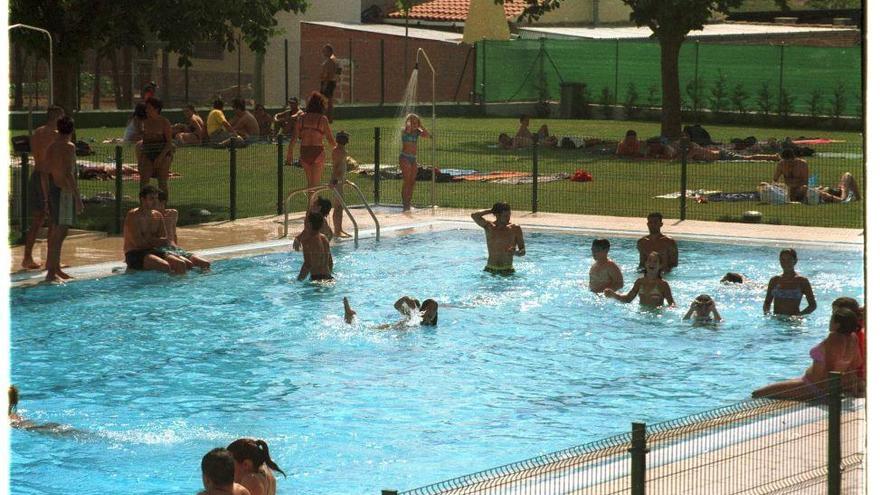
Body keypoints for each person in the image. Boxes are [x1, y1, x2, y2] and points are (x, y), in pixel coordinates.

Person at [752, 308, 864, 400]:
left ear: (837, 324)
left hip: (814, 386)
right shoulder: (852, 338)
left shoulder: (833, 338)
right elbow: (856, 363)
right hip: (818, 384)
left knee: (758, 393)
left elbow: (830, 370)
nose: (829, 322)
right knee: (770, 389)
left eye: (831, 320)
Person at [21, 105, 64, 270]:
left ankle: (27, 257)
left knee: (37, 220)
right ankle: (50, 260)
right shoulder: (54, 135)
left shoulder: (37, 132)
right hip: (48, 178)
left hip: (36, 176)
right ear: (58, 117)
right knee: (53, 221)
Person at [44, 115, 84, 283]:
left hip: (54, 189)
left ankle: (55, 268)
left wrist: (46, 196)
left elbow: (46, 172)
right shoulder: (68, 147)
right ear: (72, 130)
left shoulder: (52, 146)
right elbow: (68, 173)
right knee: (60, 233)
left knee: (55, 231)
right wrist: (77, 197)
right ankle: (51, 273)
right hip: (64, 192)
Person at [123, 185, 188, 275]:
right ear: (143, 199)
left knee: (181, 264)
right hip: (135, 253)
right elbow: (138, 244)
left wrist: (148, 239)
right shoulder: (134, 216)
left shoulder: (157, 215)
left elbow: (165, 241)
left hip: (153, 250)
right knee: (164, 266)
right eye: (151, 199)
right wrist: (155, 241)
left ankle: (177, 288)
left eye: (156, 198)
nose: (155, 201)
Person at [286, 91, 335, 188]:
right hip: (317, 151)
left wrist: (289, 154)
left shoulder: (301, 118)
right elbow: (330, 140)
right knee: (315, 184)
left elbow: (293, 139)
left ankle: (311, 203)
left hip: (304, 151)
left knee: (310, 184)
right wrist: (340, 151)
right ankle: (313, 203)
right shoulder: (322, 119)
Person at [155, 190, 211, 271]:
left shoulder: (172, 213)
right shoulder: (152, 217)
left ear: (162, 202)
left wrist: (178, 249)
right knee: (187, 264)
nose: (151, 205)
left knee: (205, 264)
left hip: (175, 249)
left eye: (155, 202)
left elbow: (173, 234)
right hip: (162, 249)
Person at [604, 251, 675, 307]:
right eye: (649, 260)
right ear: (645, 263)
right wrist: (613, 295)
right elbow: (628, 299)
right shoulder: (639, 282)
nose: (651, 263)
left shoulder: (663, 284)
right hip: (641, 316)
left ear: (660, 266)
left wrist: (671, 308)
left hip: (656, 317)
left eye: (655, 261)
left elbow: (671, 303)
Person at [471, 202, 525, 275]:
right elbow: (474, 215)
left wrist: (516, 253)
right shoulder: (489, 227)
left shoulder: (515, 228)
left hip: (508, 270)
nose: (508, 218)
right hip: (490, 270)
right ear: (497, 215)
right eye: (505, 216)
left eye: (509, 215)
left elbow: (523, 251)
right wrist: (492, 210)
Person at [763, 248, 816, 316]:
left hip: (793, 322)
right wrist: (767, 315)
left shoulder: (802, 281)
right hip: (776, 321)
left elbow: (812, 305)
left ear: (795, 261)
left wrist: (799, 316)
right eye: (783, 260)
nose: (785, 263)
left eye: (789, 260)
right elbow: (767, 303)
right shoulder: (774, 280)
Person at [139, 97, 174, 195]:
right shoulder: (145, 122)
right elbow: (144, 143)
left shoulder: (164, 122)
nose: (146, 110)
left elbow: (169, 143)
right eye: (146, 108)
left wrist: (160, 157)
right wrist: (141, 159)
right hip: (148, 152)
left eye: (149, 108)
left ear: (156, 109)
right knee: (144, 180)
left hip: (163, 152)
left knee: (162, 181)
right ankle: (144, 204)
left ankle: (163, 205)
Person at [399, 113, 431, 211]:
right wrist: (410, 124)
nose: (414, 124)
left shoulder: (417, 132)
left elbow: (427, 135)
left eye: (416, 122)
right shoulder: (404, 130)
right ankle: (405, 205)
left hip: (413, 158)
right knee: (407, 181)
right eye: (412, 122)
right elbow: (408, 130)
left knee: (412, 182)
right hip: (405, 158)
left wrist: (420, 126)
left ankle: (409, 202)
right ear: (408, 122)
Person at [343, 296, 439, 328]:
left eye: (434, 309)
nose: (431, 311)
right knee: (365, 330)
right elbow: (396, 306)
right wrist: (405, 298)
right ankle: (350, 317)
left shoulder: (430, 327)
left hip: (395, 332)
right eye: (429, 308)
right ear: (423, 309)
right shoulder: (415, 315)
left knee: (361, 329)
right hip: (391, 329)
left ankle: (350, 317)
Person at [297, 211, 333, 281]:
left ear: (309, 224)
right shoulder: (324, 238)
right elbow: (330, 261)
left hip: (317, 278)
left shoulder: (307, 241)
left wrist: (299, 280)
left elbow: (308, 264)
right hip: (328, 277)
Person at [330, 131, 352, 237]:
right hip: (337, 181)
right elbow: (337, 167)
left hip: (339, 180)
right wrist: (335, 179)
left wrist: (343, 179)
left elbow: (340, 167)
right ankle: (337, 231)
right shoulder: (340, 151)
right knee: (338, 206)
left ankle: (339, 229)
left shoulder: (340, 150)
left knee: (340, 206)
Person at [320, 44, 340, 123]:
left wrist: (325, 83)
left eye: (325, 51)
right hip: (330, 82)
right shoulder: (334, 60)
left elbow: (330, 73)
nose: (323, 52)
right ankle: (328, 118)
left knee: (326, 101)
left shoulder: (331, 60)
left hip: (328, 82)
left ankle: (328, 118)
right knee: (328, 100)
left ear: (330, 51)